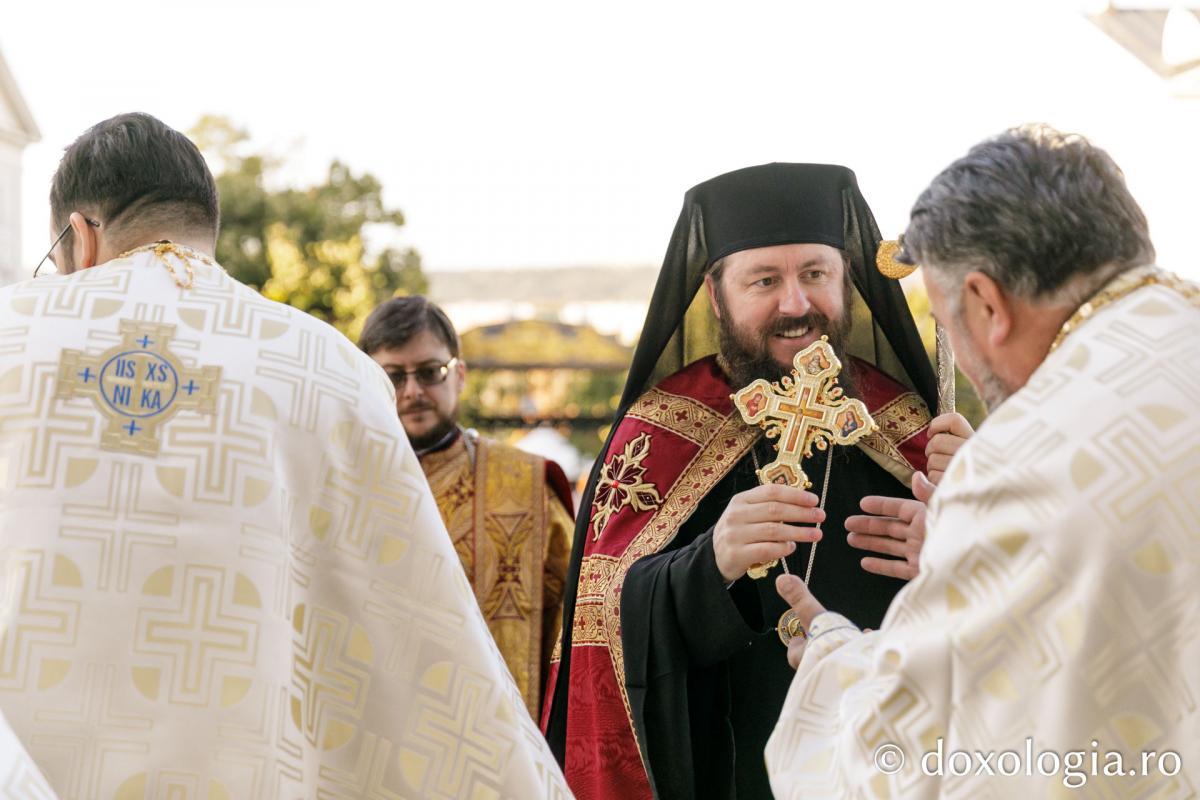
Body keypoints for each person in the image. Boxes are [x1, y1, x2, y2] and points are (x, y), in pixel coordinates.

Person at [0, 112, 568, 798]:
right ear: (206, 231)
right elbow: (416, 639)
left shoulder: (11, 337)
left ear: (79, 237)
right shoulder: (328, 368)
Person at [766, 125, 1200, 798]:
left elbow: (901, 761)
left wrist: (830, 656)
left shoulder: (1025, 459)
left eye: (947, 318)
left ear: (987, 305)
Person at [542, 162, 967, 799]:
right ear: (716, 296)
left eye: (815, 275)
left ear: (846, 281)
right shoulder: (661, 432)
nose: (795, 305)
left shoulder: (913, 431)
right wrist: (708, 565)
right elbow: (604, 622)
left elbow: (1003, 618)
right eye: (764, 280)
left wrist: (966, 531)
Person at [359, 296, 575, 718]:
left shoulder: (523, 484)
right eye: (393, 377)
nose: (413, 391)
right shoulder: (340, 484)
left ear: (459, 375)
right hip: (376, 727)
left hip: (496, 734)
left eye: (429, 372)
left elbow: (578, 618)